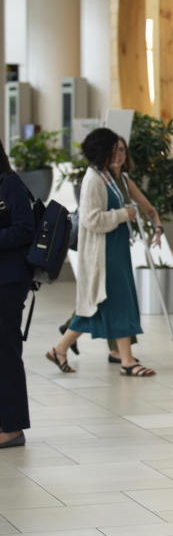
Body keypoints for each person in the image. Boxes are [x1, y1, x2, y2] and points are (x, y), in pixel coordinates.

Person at [47, 128, 156, 377]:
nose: (118, 154)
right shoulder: (93, 180)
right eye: (113, 149)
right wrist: (122, 215)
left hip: (115, 248)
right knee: (119, 302)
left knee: (99, 307)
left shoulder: (108, 176)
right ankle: (127, 361)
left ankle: (60, 349)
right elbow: (90, 219)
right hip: (103, 254)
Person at [0, 140, 35, 449]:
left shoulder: (10, 184)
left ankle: (13, 428)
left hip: (9, 282)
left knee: (7, 354)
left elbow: (25, 229)